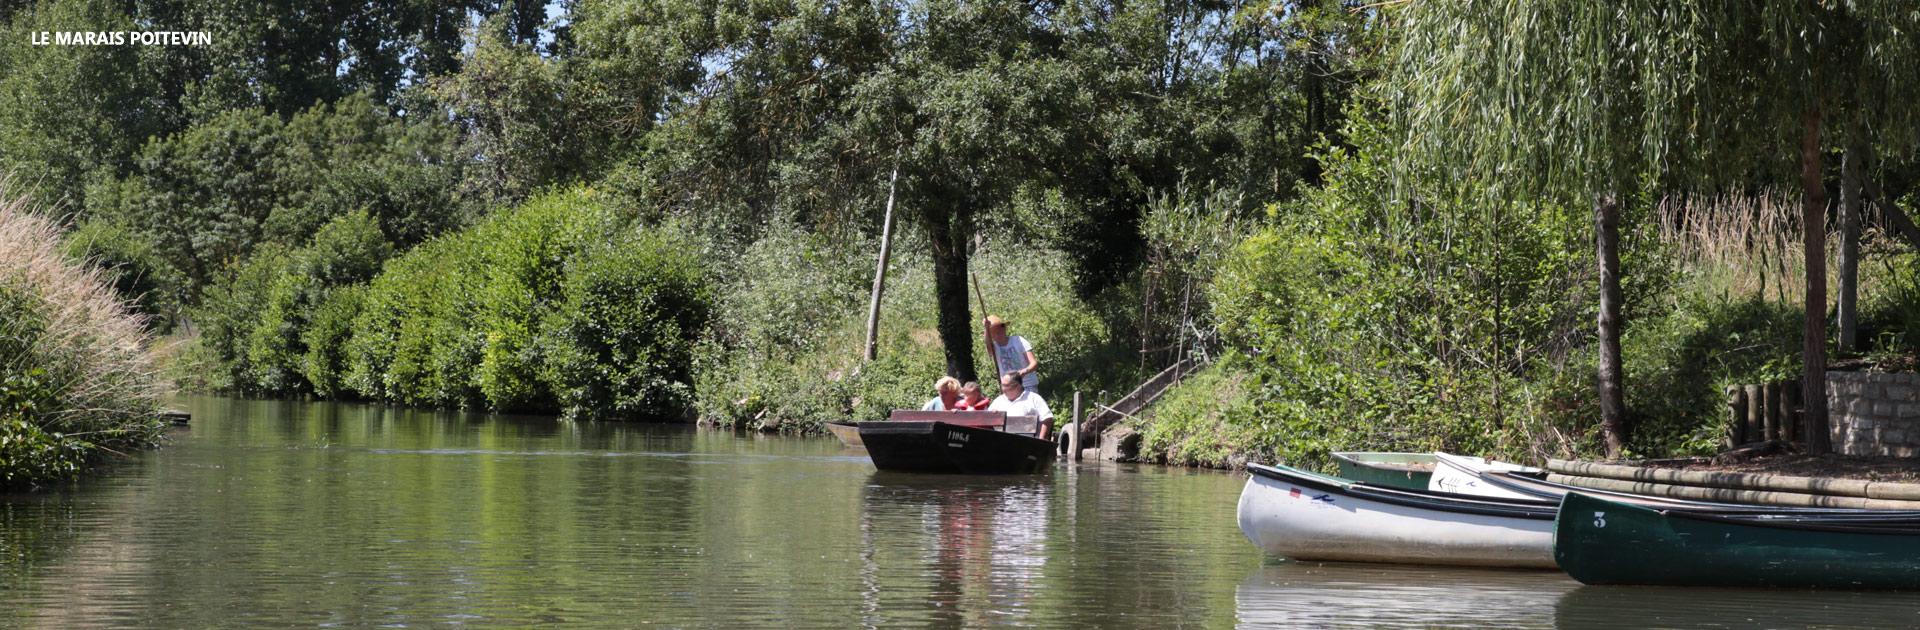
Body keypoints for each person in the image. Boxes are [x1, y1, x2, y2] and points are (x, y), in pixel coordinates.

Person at [982, 315, 1040, 394]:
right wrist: (986, 329)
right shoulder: (994, 348)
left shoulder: (1019, 340)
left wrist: (1025, 371)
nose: (997, 335)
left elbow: (1034, 363)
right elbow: (988, 346)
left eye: (999, 331)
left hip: (1027, 384)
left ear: (1004, 328)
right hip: (1008, 387)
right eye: (993, 333)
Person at [987, 373, 1054, 440]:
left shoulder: (1034, 398)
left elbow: (1047, 418)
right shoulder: (998, 401)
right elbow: (986, 421)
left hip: (1028, 445)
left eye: (1005, 385)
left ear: (1017, 385)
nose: (1003, 389)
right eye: (1002, 385)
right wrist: (992, 416)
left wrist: (1041, 441)